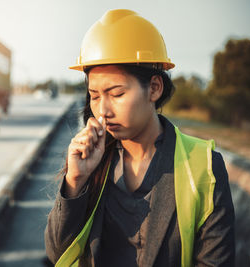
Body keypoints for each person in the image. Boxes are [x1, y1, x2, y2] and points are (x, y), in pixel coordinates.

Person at [45, 9, 235, 267]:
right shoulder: (91, 161)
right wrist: (75, 180)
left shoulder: (204, 166)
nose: (103, 110)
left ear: (154, 88)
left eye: (117, 93)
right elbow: (58, 254)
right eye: (95, 95)